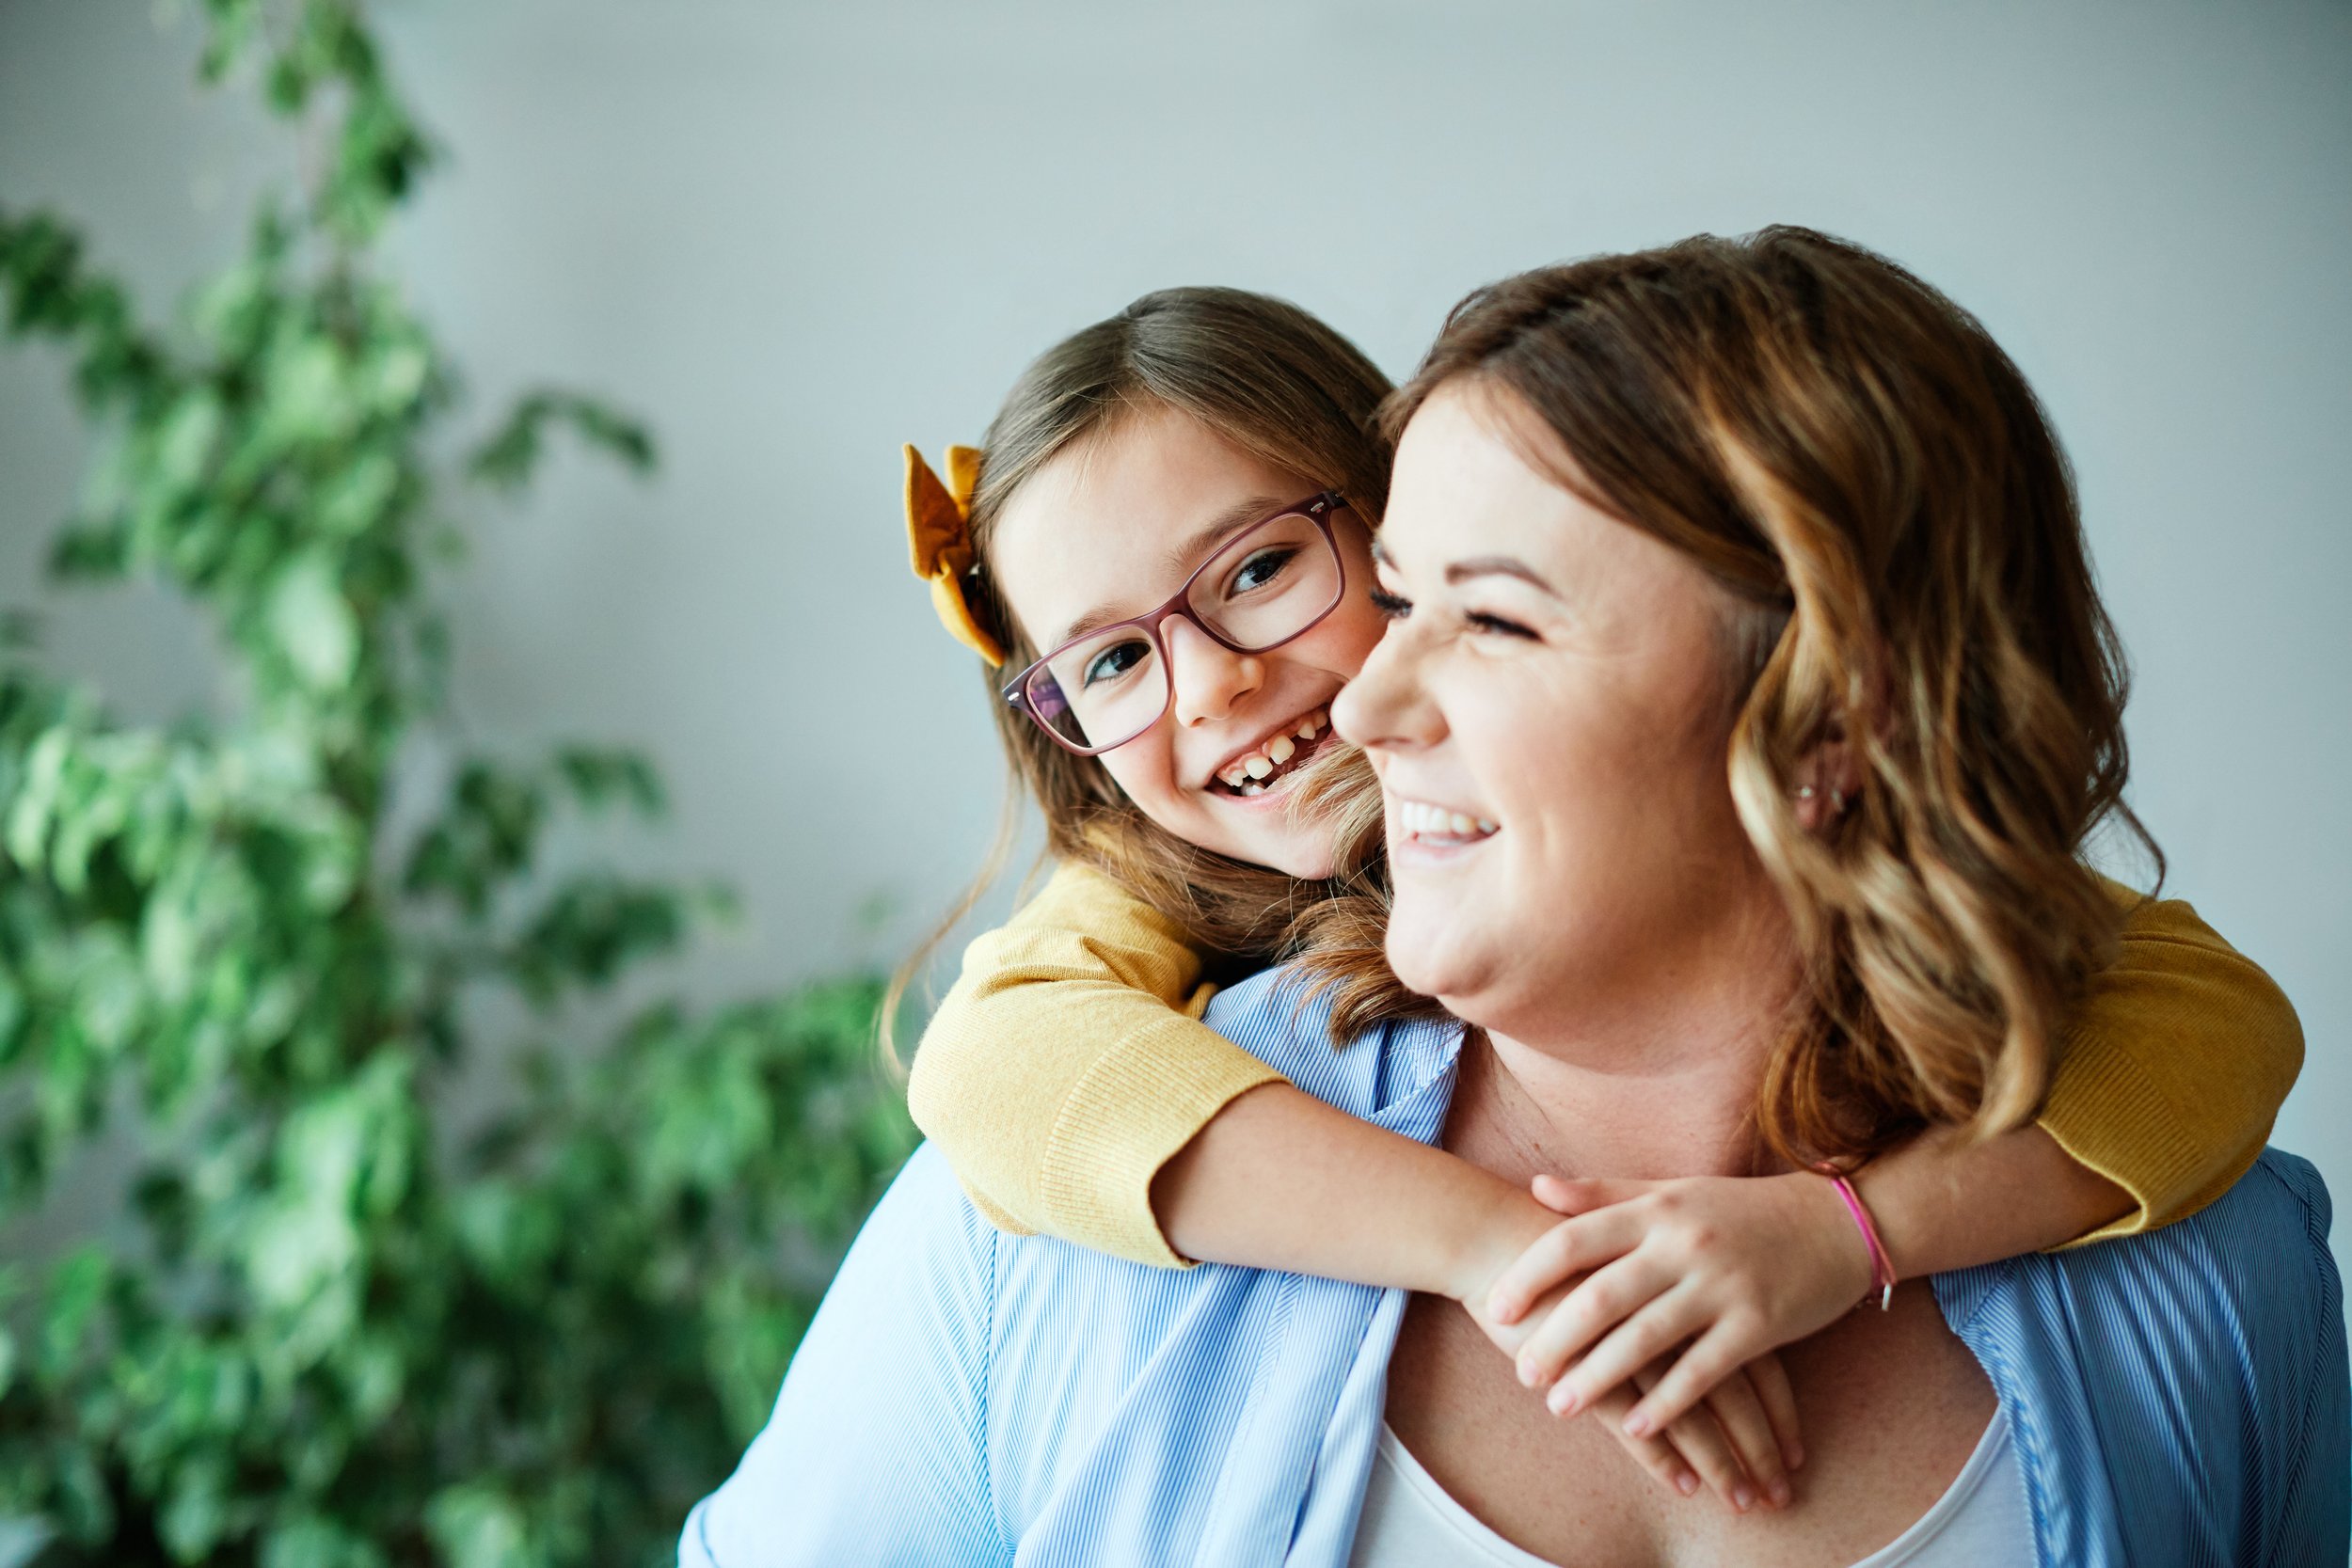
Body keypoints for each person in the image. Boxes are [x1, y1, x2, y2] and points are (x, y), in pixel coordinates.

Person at [680, 239, 2344, 1566]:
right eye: (1110, 662)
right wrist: (1500, 1249)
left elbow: (2221, 1018)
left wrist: (1858, 1229)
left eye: (1463, 610)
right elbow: (994, 1071)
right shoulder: (1070, 1189)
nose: (1304, 701)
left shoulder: (2222, 1280)